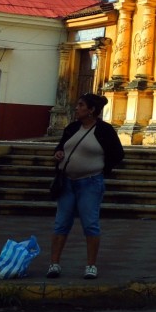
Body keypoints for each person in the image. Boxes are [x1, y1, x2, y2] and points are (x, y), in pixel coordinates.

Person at [46, 93, 124, 280]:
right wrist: (58, 154)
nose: (77, 108)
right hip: (67, 182)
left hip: (90, 182)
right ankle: (54, 264)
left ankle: (91, 266)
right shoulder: (72, 128)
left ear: (91, 110)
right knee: (61, 223)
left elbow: (118, 154)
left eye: (81, 105)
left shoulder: (104, 130)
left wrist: (102, 168)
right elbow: (60, 147)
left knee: (90, 224)